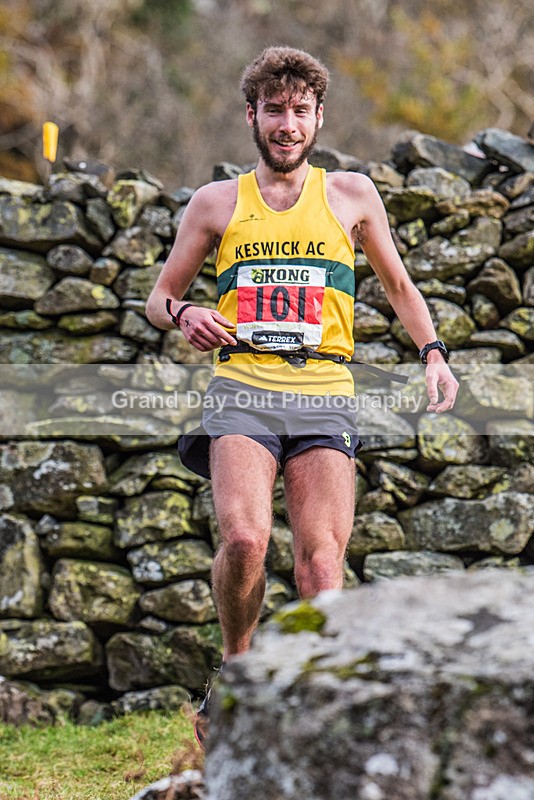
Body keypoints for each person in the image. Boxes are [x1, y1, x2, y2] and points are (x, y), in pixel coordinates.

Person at [145, 45, 458, 747]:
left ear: (319, 118)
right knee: (247, 540)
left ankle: (329, 697)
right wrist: (185, 314)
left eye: (301, 111)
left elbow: (400, 287)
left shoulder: (350, 196)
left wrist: (433, 354)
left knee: (320, 561)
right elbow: (158, 297)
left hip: (323, 392)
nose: (288, 124)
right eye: (275, 111)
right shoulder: (217, 203)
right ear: (252, 116)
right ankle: (238, 669)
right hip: (243, 387)